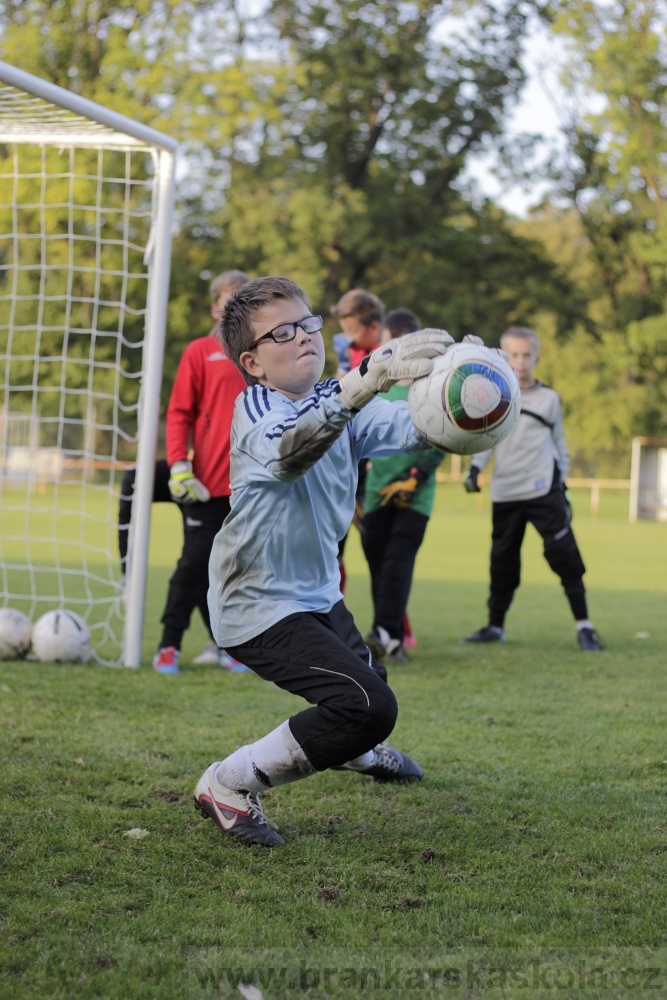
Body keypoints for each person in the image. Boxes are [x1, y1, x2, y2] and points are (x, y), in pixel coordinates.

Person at [195, 276, 453, 846]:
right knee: (366, 705)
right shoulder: (255, 406)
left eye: (308, 322)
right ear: (253, 362)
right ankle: (227, 783)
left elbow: (419, 429)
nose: (304, 336)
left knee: (369, 679)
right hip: (256, 603)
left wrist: (465, 392)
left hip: (316, 595)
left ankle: (355, 752)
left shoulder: (339, 403)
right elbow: (290, 451)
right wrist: (362, 381)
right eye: (282, 331)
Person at [118, 269, 251, 675]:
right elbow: (179, 413)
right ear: (216, 306)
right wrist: (177, 464)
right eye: (233, 300)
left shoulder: (267, 354)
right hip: (206, 484)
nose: (239, 309)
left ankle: (225, 644)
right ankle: (168, 645)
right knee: (194, 562)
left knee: (227, 569)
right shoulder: (200, 351)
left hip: (253, 485)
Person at [461, 325, 602, 652]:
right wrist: (475, 471)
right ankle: (495, 627)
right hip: (505, 494)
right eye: (513, 355)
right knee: (502, 561)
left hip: (543, 492)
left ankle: (585, 627)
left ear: (536, 358)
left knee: (565, 555)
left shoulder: (550, 398)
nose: (520, 362)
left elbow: (559, 445)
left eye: (527, 355)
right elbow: (486, 440)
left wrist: (562, 485)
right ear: (501, 356)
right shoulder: (491, 395)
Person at [330, 290, 417, 647]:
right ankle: (330, 622)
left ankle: (398, 629)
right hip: (343, 464)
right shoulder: (342, 350)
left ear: (376, 328)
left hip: (372, 471)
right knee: (334, 550)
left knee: (380, 554)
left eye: (353, 328)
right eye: (345, 328)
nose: (349, 335)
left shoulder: (391, 359)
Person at [361, 309, 445, 664]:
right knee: (379, 566)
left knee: (398, 561)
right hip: (375, 492)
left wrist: (415, 478)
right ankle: (392, 639)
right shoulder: (372, 386)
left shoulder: (428, 387)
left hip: (416, 495)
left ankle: (382, 631)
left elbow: (443, 439)